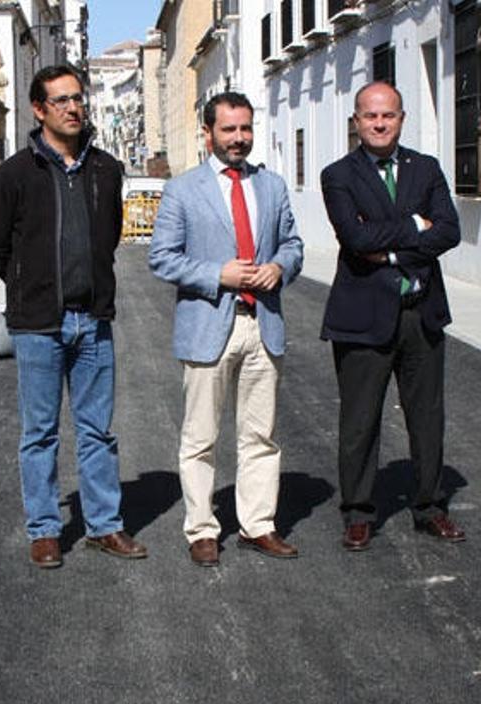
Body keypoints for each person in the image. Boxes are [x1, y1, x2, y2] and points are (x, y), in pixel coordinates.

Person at [0, 64, 147, 569]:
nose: (74, 108)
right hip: (39, 327)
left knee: (98, 430)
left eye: (78, 98)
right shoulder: (12, 176)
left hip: (92, 320)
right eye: (61, 101)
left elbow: (109, 235)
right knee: (40, 432)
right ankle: (46, 528)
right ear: (39, 109)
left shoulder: (105, 170)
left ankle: (104, 525)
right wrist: (29, 284)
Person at [149, 92, 304, 567]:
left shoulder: (273, 186)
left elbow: (293, 244)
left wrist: (279, 267)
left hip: (263, 324)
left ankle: (258, 524)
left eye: (245, 129)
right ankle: (202, 529)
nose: (239, 139)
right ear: (208, 133)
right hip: (208, 324)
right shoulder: (183, 190)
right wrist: (219, 274)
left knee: (261, 434)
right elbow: (162, 257)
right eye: (229, 129)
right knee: (200, 436)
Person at [319, 81, 464, 552]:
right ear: (356, 121)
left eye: (388, 115)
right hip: (363, 317)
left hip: (421, 313)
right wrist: (414, 228)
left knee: (428, 418)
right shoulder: (337, 175)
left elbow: (449, 231)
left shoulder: (426, 169)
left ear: (401, 119)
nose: (379, 123)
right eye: (370, 116)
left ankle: (430, 507)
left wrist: (391, 249)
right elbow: (355, 240)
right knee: (359, 421)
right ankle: (358, 513)